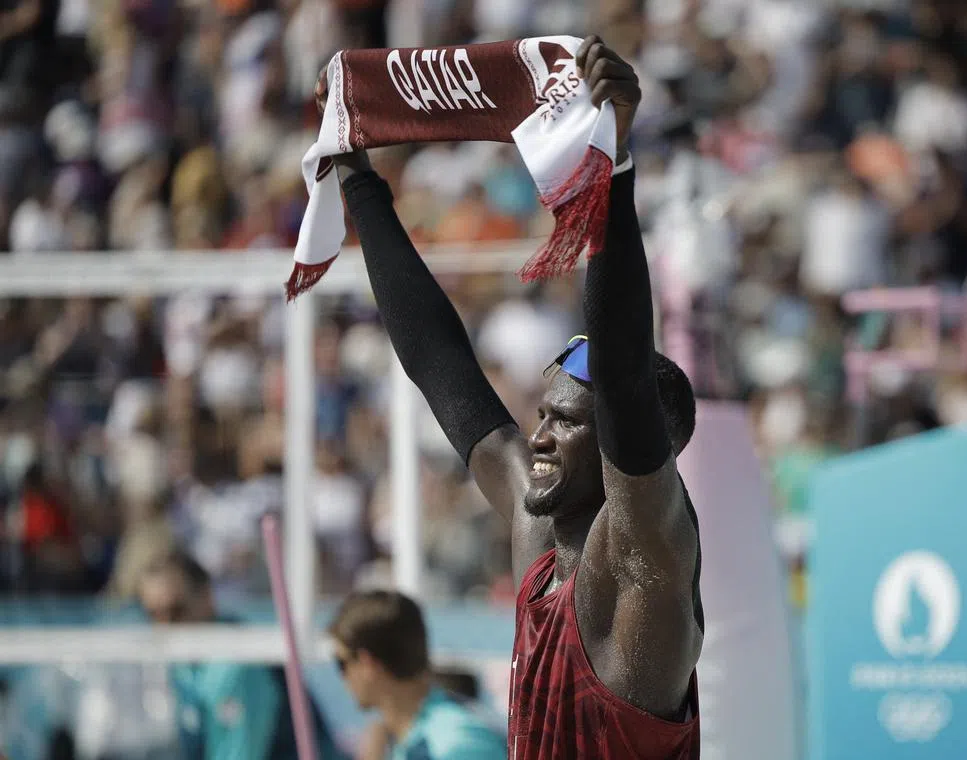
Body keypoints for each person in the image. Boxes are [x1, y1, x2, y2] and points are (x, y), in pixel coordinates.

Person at [318, 34, 702, 758]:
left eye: (569, 422)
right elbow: (443, 371)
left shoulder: (644, 560)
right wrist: (357, 180)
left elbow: (620, 378)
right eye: (544, 414)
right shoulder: (539, 535)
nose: (542, 435)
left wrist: (612, 165)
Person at [138, 550, 346, 760]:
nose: (164, 626)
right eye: (153, 614)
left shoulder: (236, 665)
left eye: (175, 610)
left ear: (206, 597)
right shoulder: (184, 661)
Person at [329, 590, 507, 759]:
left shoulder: (456, 744)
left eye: (341, 663)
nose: (341, 676)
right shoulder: (405, 736)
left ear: (366, 663)